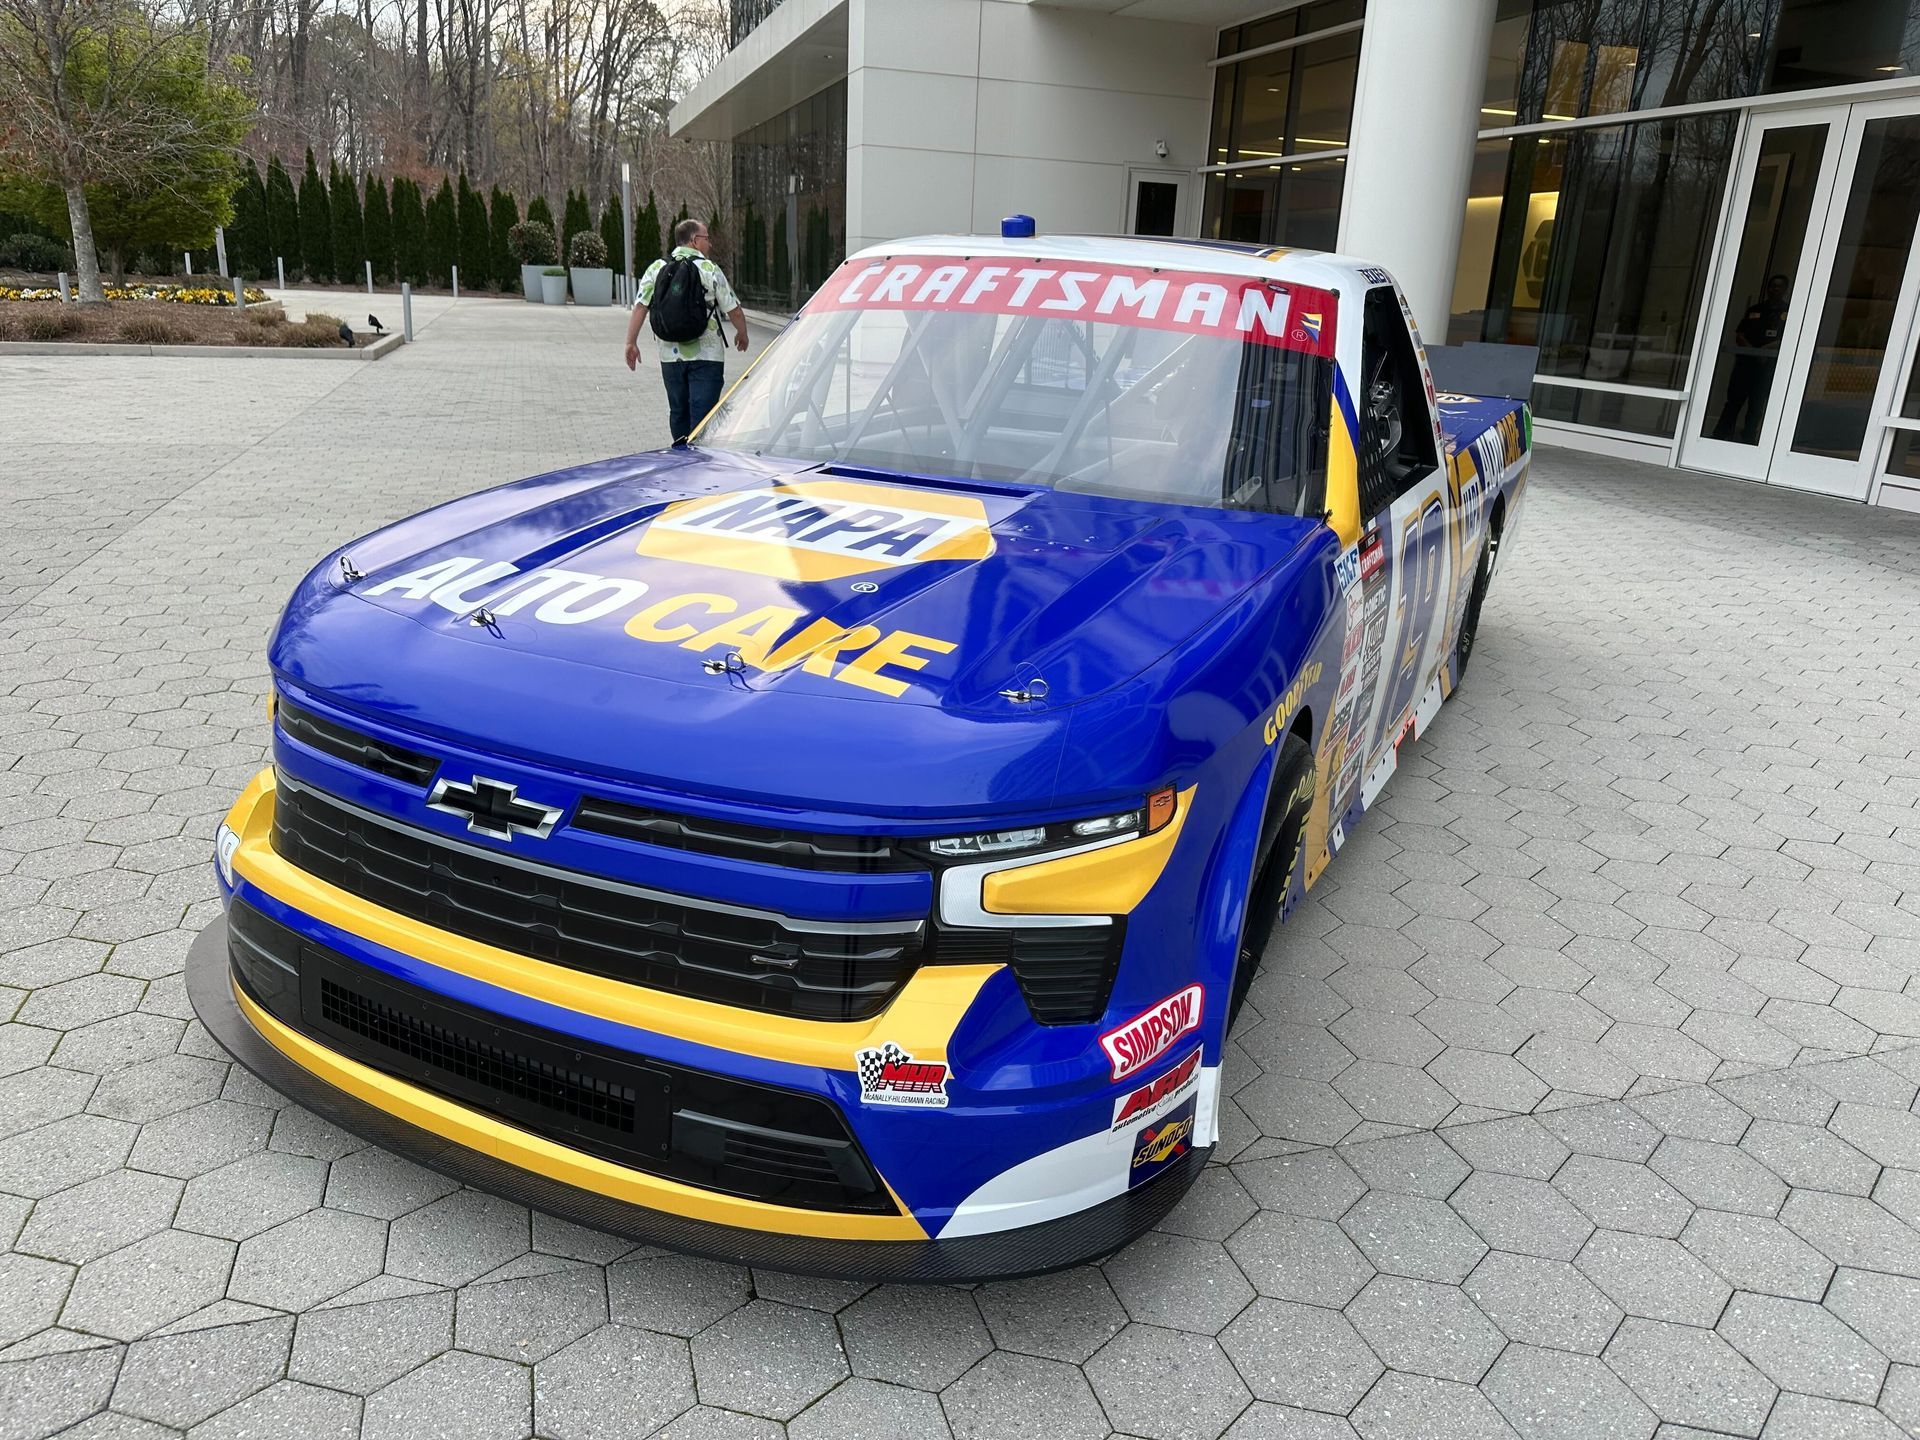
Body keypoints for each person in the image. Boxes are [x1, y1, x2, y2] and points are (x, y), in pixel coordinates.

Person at [625, 219, 750, 445]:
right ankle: (699, 460)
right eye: (707, 239)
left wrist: (630, 342)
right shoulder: (709, 269)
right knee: (704, 418)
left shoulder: (657, 268)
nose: (710, 244)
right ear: (694, 240)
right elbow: (734, 309)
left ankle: (680, 456)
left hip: (670, 355)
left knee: (678, 412)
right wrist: (742, 334)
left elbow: (640, 306)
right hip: (707, 356)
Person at [1712, 272, 1791, 445]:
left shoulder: (1789, 313)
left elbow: (1788, 338)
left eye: (1779, 286)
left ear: (1785, 290)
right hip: (1746, 365)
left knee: (1757, 405)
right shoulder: (1755, 310)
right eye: (1772, 286)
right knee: (1733, 402)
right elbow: (1740, 334)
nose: (1775, 289)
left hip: (1766, 367)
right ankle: (1720, 435)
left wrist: (1763, 351)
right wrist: (1753, 351)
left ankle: (1748, 438)